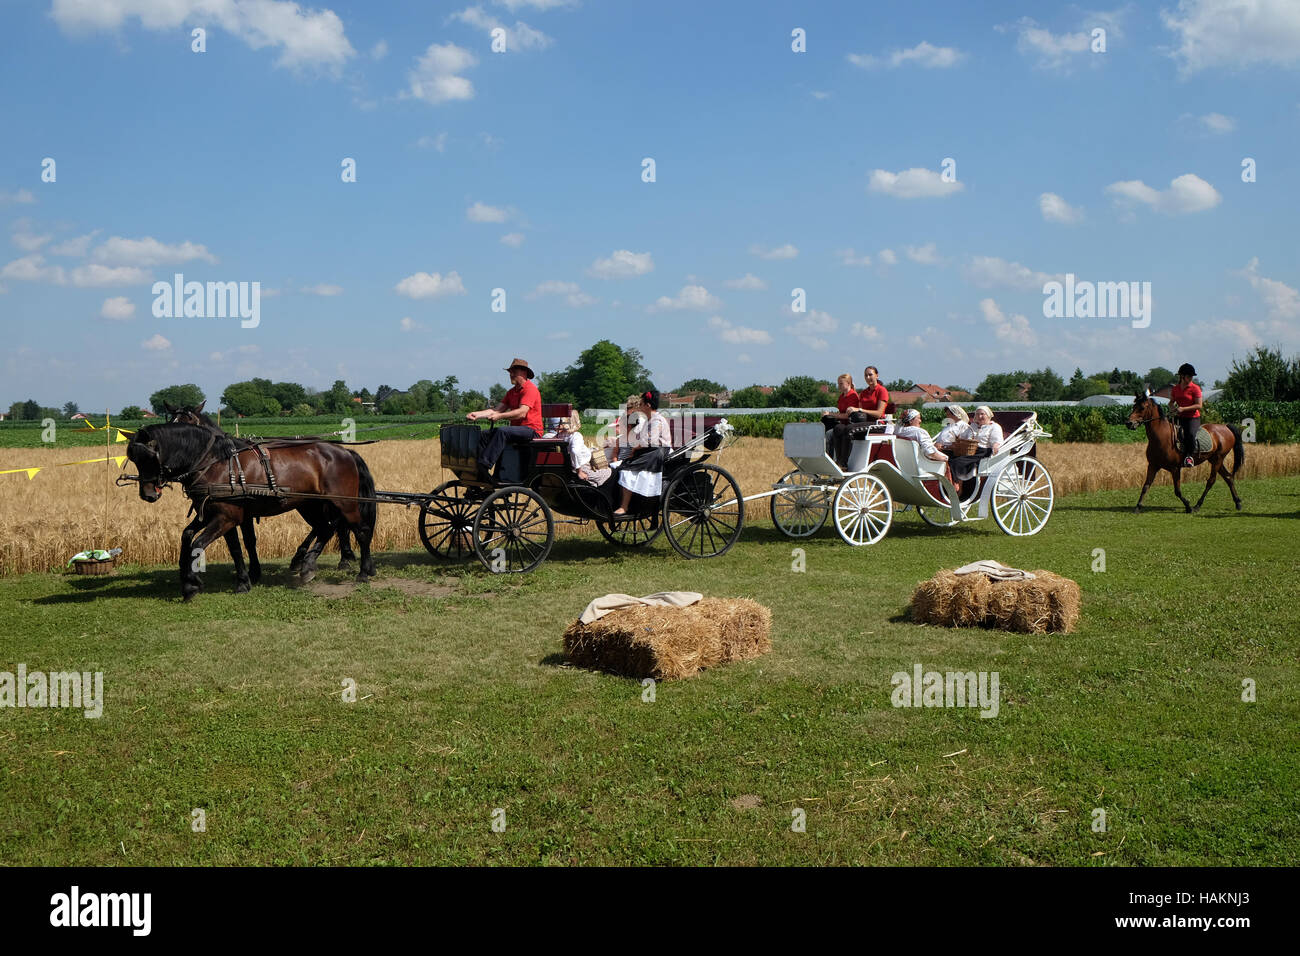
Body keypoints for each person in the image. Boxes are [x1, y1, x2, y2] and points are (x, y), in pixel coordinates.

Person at [466, 357, 543, 478]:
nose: (511, 375)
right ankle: (479, 470)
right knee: (484, 434)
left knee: (502, 431)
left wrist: (500, 416)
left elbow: (522, 412)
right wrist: (477, 414)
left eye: (514, 372)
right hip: (518, 431)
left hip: (532, 431)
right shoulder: (511, 392)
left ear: (524, 373)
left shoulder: (530, 389)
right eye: (510, 372)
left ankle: (484, 465)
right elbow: (496, 410)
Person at [613, 390, 671, 515]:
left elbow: (650, 441)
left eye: (641, 404)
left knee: (626, 469)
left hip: (657, 453)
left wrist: (634, 449)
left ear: (648, 405)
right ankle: (626, 503)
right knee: (623, 466)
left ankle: (624, 506)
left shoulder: (657, 421)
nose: (639, 407)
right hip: (650, 451)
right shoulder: (649, 420)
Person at [832, 365, 890, 466]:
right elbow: (858, 412)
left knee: (849, 429)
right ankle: (838, 461)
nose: (868, 377)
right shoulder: (863, 393)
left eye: (870, 375)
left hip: (878, 424)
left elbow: (879, 413)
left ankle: (844, 463)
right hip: (864, 423)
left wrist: (860, 409)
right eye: (866, 375)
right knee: (838, 428)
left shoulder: (881, 391)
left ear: (877, 375)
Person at [951, 405, 1004, 499]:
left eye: (982, 414)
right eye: (977, 414)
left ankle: (958, 487)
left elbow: (997, 441)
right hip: (969, 450)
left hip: (983, 451)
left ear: (988, 415)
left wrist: (996, 445)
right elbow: (962, 437)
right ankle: (951, 484)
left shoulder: (994, 427)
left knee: (958, 462)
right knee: (950, 458)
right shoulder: (972, 426)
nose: (979, 416)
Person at [557, 411, 611, 487]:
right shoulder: (575, 436)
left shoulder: (560, 435)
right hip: (582, 467)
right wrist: (579, 471)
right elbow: (575, 451)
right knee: (609, 472)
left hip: (572, 465)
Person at [1171, 362, 1202, 468]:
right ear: (1182, 376)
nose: (1190, 378)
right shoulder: (1175, 389)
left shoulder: (1195, 388)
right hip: (1180, 417)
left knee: (1190, 435)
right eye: (1189, 376)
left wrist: (1183, 409)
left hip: (1193, 418)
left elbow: (1199, 405)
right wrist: (1173, 409)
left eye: (1191, 376)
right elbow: (1171, 402)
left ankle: (1189, 457)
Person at [822, 372, 860, 449]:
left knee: (829, 434)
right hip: (842, 424)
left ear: (848, 383)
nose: (839, 386)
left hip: (849, 425)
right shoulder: (841, 396)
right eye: (838, 384)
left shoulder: (853, 396)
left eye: (841, 384)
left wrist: (831, 413)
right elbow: (840, 413)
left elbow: (847, 416)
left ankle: (835, 457)